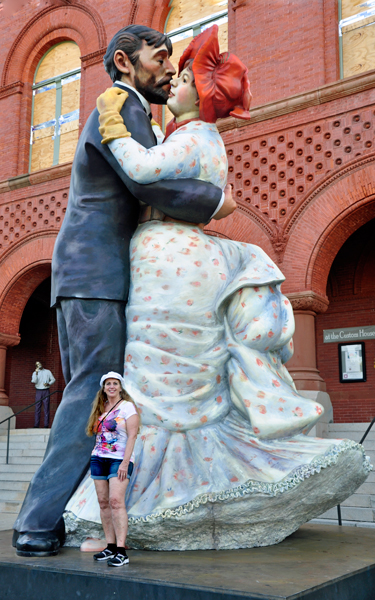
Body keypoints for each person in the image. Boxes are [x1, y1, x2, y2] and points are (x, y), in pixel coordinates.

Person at [64, 27, 370, 550]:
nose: (173, 81)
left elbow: (139, 170)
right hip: (176, 257)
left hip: (169, 260)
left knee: (156, 387)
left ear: (200, 97)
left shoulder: (193, 138)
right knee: (169, 388)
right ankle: (145, 514)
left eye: (181, 77)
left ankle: (134, 520)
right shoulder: (193, 138)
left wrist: (112, 119)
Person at [14, 24, 235, 558]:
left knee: (93, 395)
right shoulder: (123, 104)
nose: (168, 67)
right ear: (123, 62)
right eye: (160, 58)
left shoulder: (135, 111)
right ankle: (37, 522)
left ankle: (49, 518)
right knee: (94, 395)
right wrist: (213, 200)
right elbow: (144, 183)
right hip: (95, 273)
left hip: (93, 273)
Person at [86, 372, 139, 567]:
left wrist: (125, 463)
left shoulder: (127, 407)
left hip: (119, 460)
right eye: (108, 384)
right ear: (104, 387)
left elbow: (132, 436)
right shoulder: (100, 408)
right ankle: (110, 546)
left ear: (120, 387)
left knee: (116, 502)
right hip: (99, 458)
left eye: (115, 383)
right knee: (103, 502)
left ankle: (121, 550)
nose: (111, 387)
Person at [31, 361, 55, 428]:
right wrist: (36, 373)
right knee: (37, 408)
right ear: (36, 366)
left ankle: (46, 424)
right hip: (38, 391)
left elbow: (53, 379)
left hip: (46, 390)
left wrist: (49, 383)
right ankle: (36, 425)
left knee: (46, 408)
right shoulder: (35, 373)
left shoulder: (47, 371)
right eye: (37, 364)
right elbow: (34, 381)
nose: (39, 365)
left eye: (39, 363)